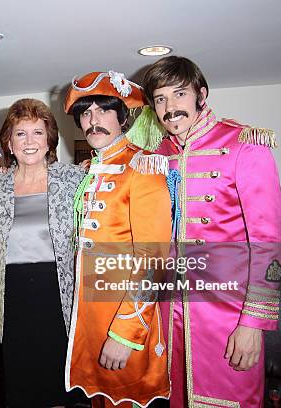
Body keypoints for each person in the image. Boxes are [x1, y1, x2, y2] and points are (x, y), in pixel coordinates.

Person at [143, 55, 281, 407]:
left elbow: (268, 243)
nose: (170, 107)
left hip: (228, 318)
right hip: (169, 317)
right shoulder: (156, 155)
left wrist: (253, 324)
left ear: (201, 94)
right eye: (160, 99)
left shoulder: (244, 144)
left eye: (179, 94)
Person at [64, 71, 172, 407]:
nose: (93, 121)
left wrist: (125, 334)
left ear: (123, 117)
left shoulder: (142, 168)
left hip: (124, 328)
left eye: (103, 110)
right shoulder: (90, 169)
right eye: (85, 113)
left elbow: (153, 260)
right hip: (90, 323)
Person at [0, 98, 87, 407]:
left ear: (49, 140)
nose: (29, 142)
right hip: (13, 297)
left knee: (59, 386)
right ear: (8, 142)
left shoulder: (74, 179)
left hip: (59, 296)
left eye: (37, 133)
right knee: (21, 386)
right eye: (20, 133)